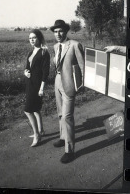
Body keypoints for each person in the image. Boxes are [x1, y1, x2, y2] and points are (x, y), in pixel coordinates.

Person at [50, 19, 84, 163]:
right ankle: (63, 137)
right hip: (57, 81)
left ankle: (69, 150)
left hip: (69, 84)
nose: (58, 34)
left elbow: (83, 67)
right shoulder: (55, 46)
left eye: (60, 31)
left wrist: (82, 85)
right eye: (55, 32)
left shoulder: (75, 45)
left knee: (67, 117)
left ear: (66, 31)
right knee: (59, 114)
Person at [24, 29, 50, 147]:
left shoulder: (44, 52)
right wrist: (25, 72)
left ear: (39, 38)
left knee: (28, 110)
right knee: (35, 109)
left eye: (34, 37)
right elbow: (27, 67)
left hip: (37, 86)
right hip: (30, 84)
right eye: (30, 38)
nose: (32, 40)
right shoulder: (31, 53)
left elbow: (45, 73)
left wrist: (42, 88)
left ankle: (36, 135)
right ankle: (41, 130)